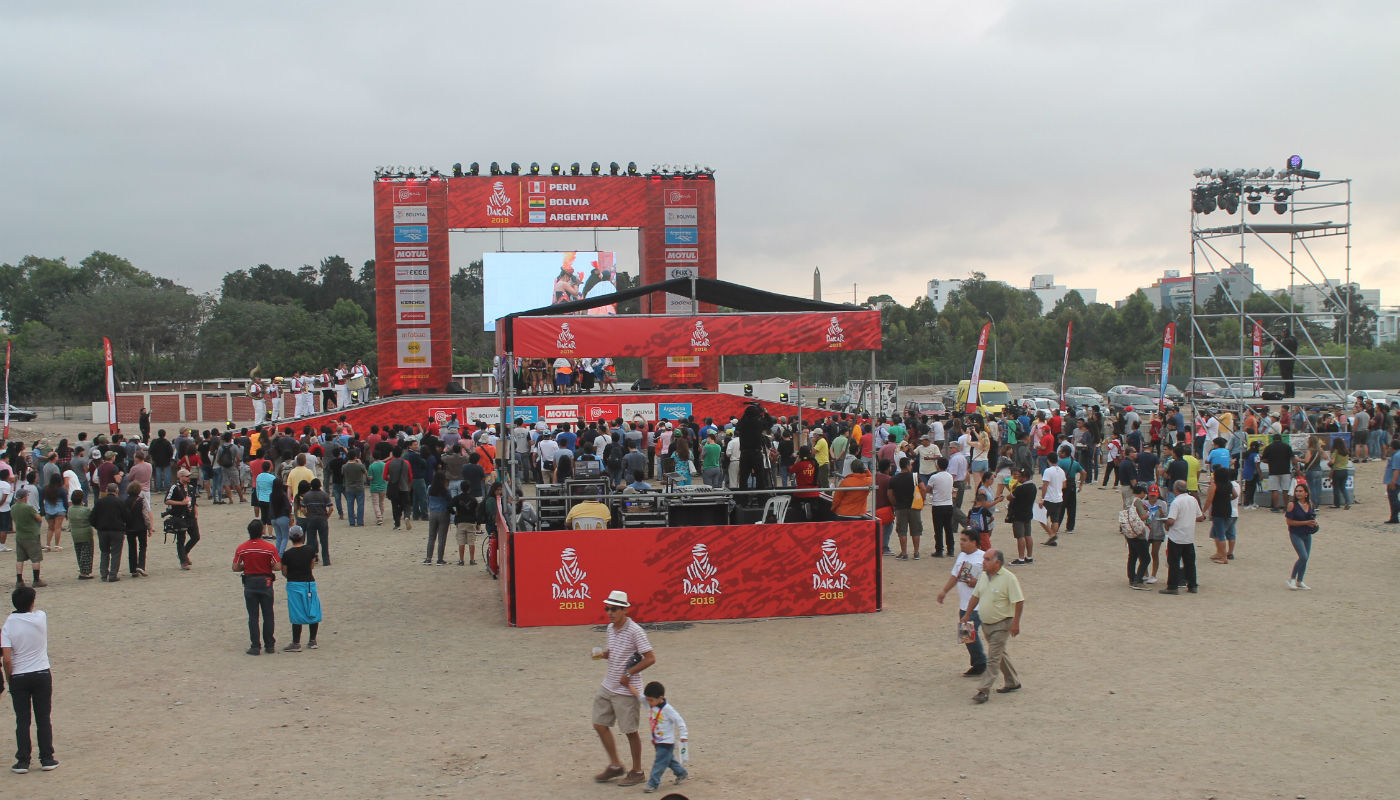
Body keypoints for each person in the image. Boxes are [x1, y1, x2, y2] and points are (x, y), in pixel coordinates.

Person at [591, 590, 655, 787]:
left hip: (627, 690)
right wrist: (604, 655)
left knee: (630, 731)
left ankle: (637, 771)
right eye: (607, 608)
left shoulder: (635, 631)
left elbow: (650, 657)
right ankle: (616, 764)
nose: (610, 612)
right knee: (599, 724)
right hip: (609, 685)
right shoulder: (610, 629)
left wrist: (628, 674)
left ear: (625, 610)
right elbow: (617, 652)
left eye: (614, 609)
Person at [2, 586, 57, 772]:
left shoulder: (8, 625)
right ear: (32, 602)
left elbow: (7, 659)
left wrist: (10, 678)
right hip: (41, 672)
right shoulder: (41, 618)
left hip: (19, 675)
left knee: (22, 720)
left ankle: (23, 759)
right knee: (43, 717)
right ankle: (47, 757)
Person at [961, 549, 1023, 704]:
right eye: (984, 559)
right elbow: (976, 596)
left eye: (987, 559)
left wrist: (1016, 623)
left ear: (998, 562)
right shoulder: (983, 576)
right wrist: (967, 614)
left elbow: (1019, 601)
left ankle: (983, 690)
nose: (984, 562)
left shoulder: (1009, 578)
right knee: (999, 654)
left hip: (1002, 623)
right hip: (987, 624)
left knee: (993, 658)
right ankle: (1012, 682)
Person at [936, 530, 987, 676]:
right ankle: (979, 662)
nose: (961, 542)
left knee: (967, 632)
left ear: (974, 542)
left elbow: (992, 579)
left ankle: (980, 663)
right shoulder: (962, 556)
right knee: (966, 634)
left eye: (965, 540)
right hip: (965, 604)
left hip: (978, 605)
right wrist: (944, 591)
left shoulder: (984, 557)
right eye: (961, 540)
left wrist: (977, 582)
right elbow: (956, 575)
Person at [233, 520, 281, 655]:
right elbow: (277, 566)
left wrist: (246, 566)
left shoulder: (242, 548)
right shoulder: (269, 547)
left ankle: (255, 645)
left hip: (250, 582)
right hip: (265, 582)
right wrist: (267, 566)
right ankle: (270, 645)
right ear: (262, 531)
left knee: (253, 616)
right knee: (268, 614)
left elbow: (235, 567)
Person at [641, 681, 689, 792]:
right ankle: (681, 773)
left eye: (651, 700)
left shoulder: (668, 709)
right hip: (657, 741)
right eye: (647, 700)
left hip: (666, 743)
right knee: (669, 761)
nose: (648, 702)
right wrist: (629, 686)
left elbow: (679, 720)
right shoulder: (653, 706)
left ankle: (653, 783)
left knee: (659, 763)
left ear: (660, 698)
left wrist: (683, 735)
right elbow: (640, 697)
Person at [279, 528, 321, 651]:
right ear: (302, 536)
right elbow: (311, 566)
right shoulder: (310, 550)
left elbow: (284, 571)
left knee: (296, 611)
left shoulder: (287, 554)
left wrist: (291, 575)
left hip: (294, 584)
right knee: (312, 609)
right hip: (308, 582)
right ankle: (312, 640)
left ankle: (296, 642)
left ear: (291, 538)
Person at [1160, 479, 1204, 595]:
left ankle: (1173, 586)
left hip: (1176, 536)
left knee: (1173, 562)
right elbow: (1200, 517)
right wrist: (1188, 519)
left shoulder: (1176, 502)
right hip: (1189, 536)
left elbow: (1171, 520)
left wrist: (1166, 523)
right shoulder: (1193, 500)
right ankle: (1192, 585)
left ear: (1176, 489)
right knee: (1190, 562)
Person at [887, 457, 924, 560]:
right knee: (916, 530)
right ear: (908, 466)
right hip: (914, 506)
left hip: (900, 507)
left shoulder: (894, 479)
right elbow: (923, 488)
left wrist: (895, 504)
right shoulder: (915, 477)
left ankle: (904, 553)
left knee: (902, 531)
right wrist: (922, 501)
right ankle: (916, 552)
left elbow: (890, 494)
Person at [1284, 483, 1318, 590]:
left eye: (1300, 491)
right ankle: (1292, 579)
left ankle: (1300, 581)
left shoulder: (1310, 505)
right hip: (1295, 534)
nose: (1298, 493)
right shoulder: (1292, 505)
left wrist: (1314, 524)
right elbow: (1289, 522)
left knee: (1305, 558)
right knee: (1303, 556)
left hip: (1307, 534)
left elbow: (1312, 518)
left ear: (1306, 493)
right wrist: (1306, 522)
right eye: (1297, 491)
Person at [165, 468, 200, 570]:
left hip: (191, 516)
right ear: (181, 477)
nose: (189, 478)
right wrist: (180, 503)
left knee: (195, 537)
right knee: (181, 539)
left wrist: (196, 512)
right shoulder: (174, 488)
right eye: (187, 476)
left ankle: (184, 553)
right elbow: (167, 501)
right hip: (180, 517)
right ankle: (183, 561)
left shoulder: (192, 488)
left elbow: (193, 502)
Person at [10, 489, 45, 588]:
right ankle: (36, 579)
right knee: (35, 558)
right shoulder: (28, 507)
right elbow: (39, 518)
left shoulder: (13, 508)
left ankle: (19, 580)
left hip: (20, 535)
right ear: (25, 497)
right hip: (31, 535)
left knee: (20, 559)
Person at [1205, 467, 1237, 565]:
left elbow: (1209, 500)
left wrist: (1203, 511)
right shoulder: (1229, 484)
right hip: (1227, 509)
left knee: (1220, 534)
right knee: (1218, 532)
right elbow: (1235, 495)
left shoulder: (1214, 485)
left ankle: (1223, 557)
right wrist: (1227, 499)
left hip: (1218, 510)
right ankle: (1220, 554)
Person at [1007, 467, 1037, 565]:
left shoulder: (1021, 488)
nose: (1017, 478)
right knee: (1028, 535)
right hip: (1028, 513)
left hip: (1018, 514)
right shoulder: (1033, 487)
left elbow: (1010, 497)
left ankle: (1020, 558)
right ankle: (1029, 556)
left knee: (1020, 536)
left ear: (1024, 477)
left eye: (1019, 476)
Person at [1124, 484, 1152, 589]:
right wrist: (1149, 512)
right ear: (1141, 492)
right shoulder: (1138, 501)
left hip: (1129, 531)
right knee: (1145, 558)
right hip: (1138, 533)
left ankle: (1132, 578)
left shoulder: (1128, 500)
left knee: (1132, 556)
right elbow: (1142, 516)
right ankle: (1138, 580)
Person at [1262, 434, 1297, 512]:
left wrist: (1270, 462)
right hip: (1285, 471)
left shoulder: (1269, 447)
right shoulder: (1287, 447)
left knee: (1275, 490)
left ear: (1273, 439)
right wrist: (1295, 467)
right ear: (1281, 439)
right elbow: (1293, 459)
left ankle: (1276, 507)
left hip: (1273, 471)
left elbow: (1263, 459)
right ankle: (1286, 507)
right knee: (1285, 490)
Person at [1327, 437, 1351, 510]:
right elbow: (1347, 462)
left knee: (1336, 488)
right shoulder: (1346, 451)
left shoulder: (1336, 451)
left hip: (1337, 471)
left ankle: (1337, 504)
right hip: (1345, 470)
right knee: (1343, 488)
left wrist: (1329, 463)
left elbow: (1332, 461)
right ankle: (1347, 502)